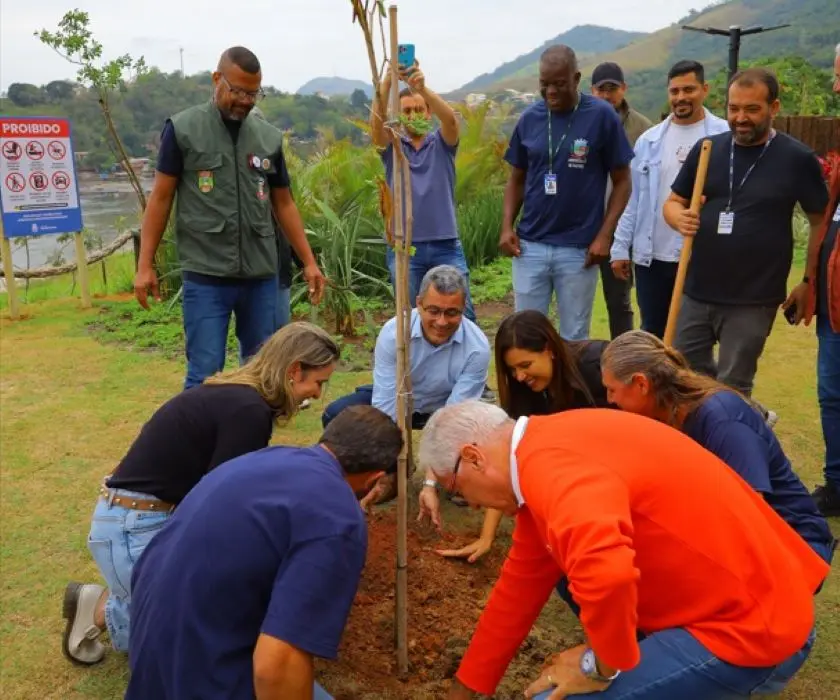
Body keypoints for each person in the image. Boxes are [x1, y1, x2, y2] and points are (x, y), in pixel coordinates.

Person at [418, 401, 828, 700]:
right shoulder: (544, 449)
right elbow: (516, 592)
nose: (469, 505)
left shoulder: (553, 471)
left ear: (472, 458)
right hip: (749, 601)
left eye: (457, 490)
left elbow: (607, 575)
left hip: (751, 628)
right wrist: (467, 689)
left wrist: (599, 665)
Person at [61, 323, 340, 667]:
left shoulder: (239, 398)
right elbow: (223, 506)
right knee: (195, 642)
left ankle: (105, 605)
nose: (317, 394)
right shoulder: (249, 412)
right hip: (132, 529)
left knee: (204, 618)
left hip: (134, 519)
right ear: (294, 371)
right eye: (319, 382)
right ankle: (105, 609)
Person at [125, 405, 402, 700]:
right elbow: (275, 665)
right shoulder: (339, 517)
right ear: (375, 480)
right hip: (203, 677)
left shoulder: (265, 458)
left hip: (151, 653)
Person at [133, 46, 326, 389]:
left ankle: (253, 440)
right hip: (207, 274)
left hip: (261, 274)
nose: (245, 100)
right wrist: (145, 264)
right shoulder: (183, 129)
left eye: (253, 93)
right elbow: (161, 198)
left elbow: (284, 204)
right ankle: (199, 441)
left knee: (263, 372)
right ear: (216, 79)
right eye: (237, 90)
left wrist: (308, 262)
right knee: (204, 372)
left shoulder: (267, 137)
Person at [664, 67, 829, 399]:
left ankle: (727, 445)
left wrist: (808, 281)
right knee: (684, 377)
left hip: (753, 299)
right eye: (734, 108)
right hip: (696, 291)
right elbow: (673, 202)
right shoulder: (708, 148)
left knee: (732, 387)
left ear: (774, 108)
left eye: (752, 109)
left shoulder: (796, 158)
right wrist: (679, 218)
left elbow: (820, 221)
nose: (740, 118)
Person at [601, 330, 835, 563]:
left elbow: (748, 518)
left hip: (793, 543)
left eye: (612, 389)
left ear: (641, 384)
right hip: (733, 535)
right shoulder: (665, 416)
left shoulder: (723, 420)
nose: (610, 400)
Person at [432, 309, 610, 560]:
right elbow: (508, 463)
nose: (520, 376)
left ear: (549, 349)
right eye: (512, 369)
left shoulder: (597, 367)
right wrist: (486, 536)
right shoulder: (524, 390)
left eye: (525, 365)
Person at [371, 61, 495, 402]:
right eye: (406, 110)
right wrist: (386, 83)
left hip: (444, 244)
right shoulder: (393, 148)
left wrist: (421, 87)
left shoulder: (442, 144)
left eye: (419, 109)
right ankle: (408, 381)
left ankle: (475, 386)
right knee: (408, 316)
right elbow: (376, 129)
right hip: (404, 247)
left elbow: (451, 121)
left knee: (461, 311)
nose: (413, 115)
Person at [322, 265, 489, 505]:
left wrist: (430, 479)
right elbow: (385, 404)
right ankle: (373, 475)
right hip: (399, 399)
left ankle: (456, 478)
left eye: (452, 313)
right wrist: (390, 464)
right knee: (337, 414)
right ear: (419, 303)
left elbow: (454, 418)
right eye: (434, 311)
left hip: (443, 406)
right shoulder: (394, 333)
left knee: (479, 427)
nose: (441, 322)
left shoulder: (477, 348)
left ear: (464, 309)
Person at [501, 45, 634, 341]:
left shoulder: (601, 116)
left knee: (574, 337)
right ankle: (531, 389)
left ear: (576, 78)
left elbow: (623, 181)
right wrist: (507, 226)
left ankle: (570, 389)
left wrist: (604, 236)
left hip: (579, 249)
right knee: (525, 334)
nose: (550, 91)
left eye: (559, 84)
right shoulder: (529, 119)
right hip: (530, 246)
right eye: (544, 84)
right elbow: (516, 178)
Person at [611, 60, 729, 338]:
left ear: (705, 89)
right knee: (652, 333)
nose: (681, 97)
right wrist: (620, 247)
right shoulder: (649, 140)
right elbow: (634, 199)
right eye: (675, 91)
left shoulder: (723, 136)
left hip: (701, 257)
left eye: (689, 89)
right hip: (652, 258)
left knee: (694, 336)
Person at [787, 43, 840, 517]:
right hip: (833, 300)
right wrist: (807, 281)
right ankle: (838, 484)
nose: (837, 85)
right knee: (832, 393)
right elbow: (824, 219)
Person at [590, 62, 653, 339]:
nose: (606, 95)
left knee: (621, 301)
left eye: (612, 89)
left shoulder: (643, 129)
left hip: (625, 229)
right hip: (587, 226)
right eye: (601, 90)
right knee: (576, 299)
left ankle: (624, 355)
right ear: (592, 91)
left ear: (623, 89)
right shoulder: (582, 125)